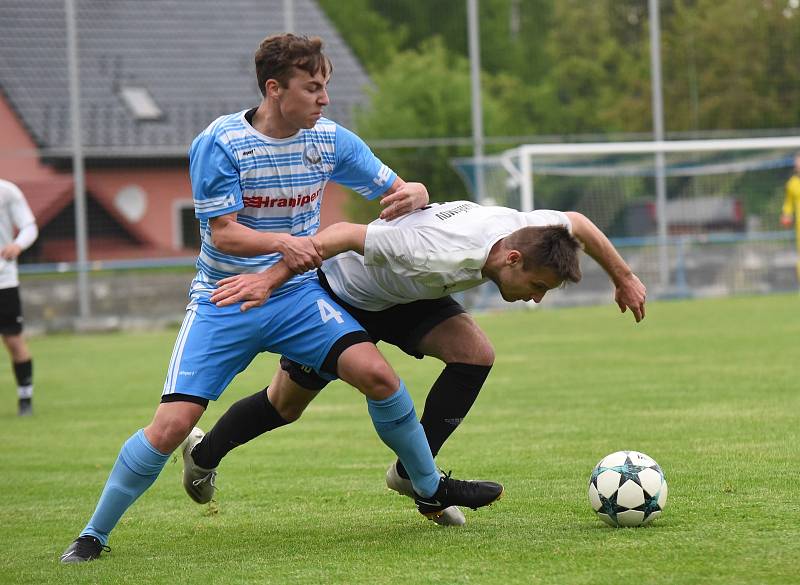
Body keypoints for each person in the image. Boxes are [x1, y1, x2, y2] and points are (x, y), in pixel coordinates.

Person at [60, 35, 502, 564]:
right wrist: (285, 243)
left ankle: (429, 488)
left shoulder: (329, 141)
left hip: (296, 296)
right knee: (172, 425)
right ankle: (93, 534)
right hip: (224, 300)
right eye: (312, 88)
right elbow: (222, 234)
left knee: (379, 377)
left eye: (326, 87)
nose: (324, 99)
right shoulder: (220, 143)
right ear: (274, 89)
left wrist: (420, 192)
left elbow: (398, 190)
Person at [183, 200, 646, 526]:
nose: (536, 298)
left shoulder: (531, 227)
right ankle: (202, 455)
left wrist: (623, 278)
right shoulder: (434, 251)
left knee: (476, 355)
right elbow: (341, 234)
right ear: (512, 258)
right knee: (284, 405)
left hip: (408, 296)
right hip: (345, 296)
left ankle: (411, 475)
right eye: (537, 285)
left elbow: (579, 222)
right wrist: (269, 280)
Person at [0, 179, 38, 417]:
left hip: (4, 280)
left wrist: (18, 244)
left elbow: (29, 226)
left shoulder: (6, 191)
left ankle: (25, 398)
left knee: (13, 341)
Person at [780, 152, 800, 283]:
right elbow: (788, 204)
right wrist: (786, 215)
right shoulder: (792, 184)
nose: (797, 164)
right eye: (796, 162)